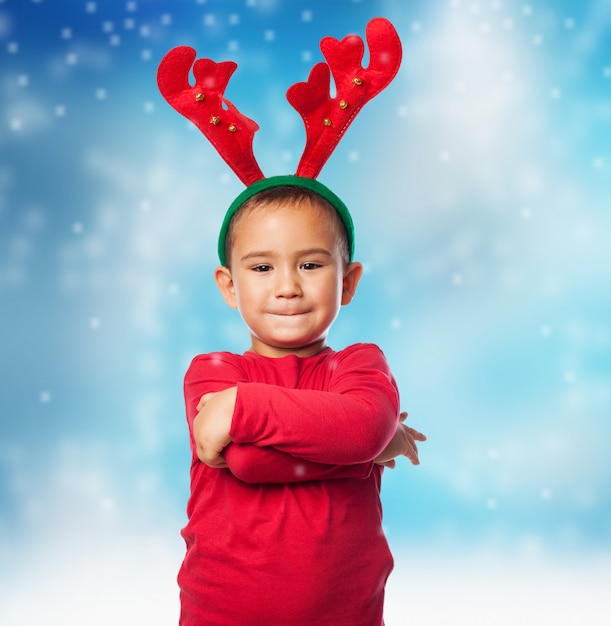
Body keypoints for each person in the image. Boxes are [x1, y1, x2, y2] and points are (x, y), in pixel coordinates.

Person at [178, 179, 426, 625]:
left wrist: (242, 408)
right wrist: (366, 451)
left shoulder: (360, 364)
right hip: (222, 612)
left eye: (310, 264)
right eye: (261, 268)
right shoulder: (214, 372)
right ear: (229, 285)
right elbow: (249, 462)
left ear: (347, 282)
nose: (288, 286)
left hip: (346, 613)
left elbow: (363, 428)